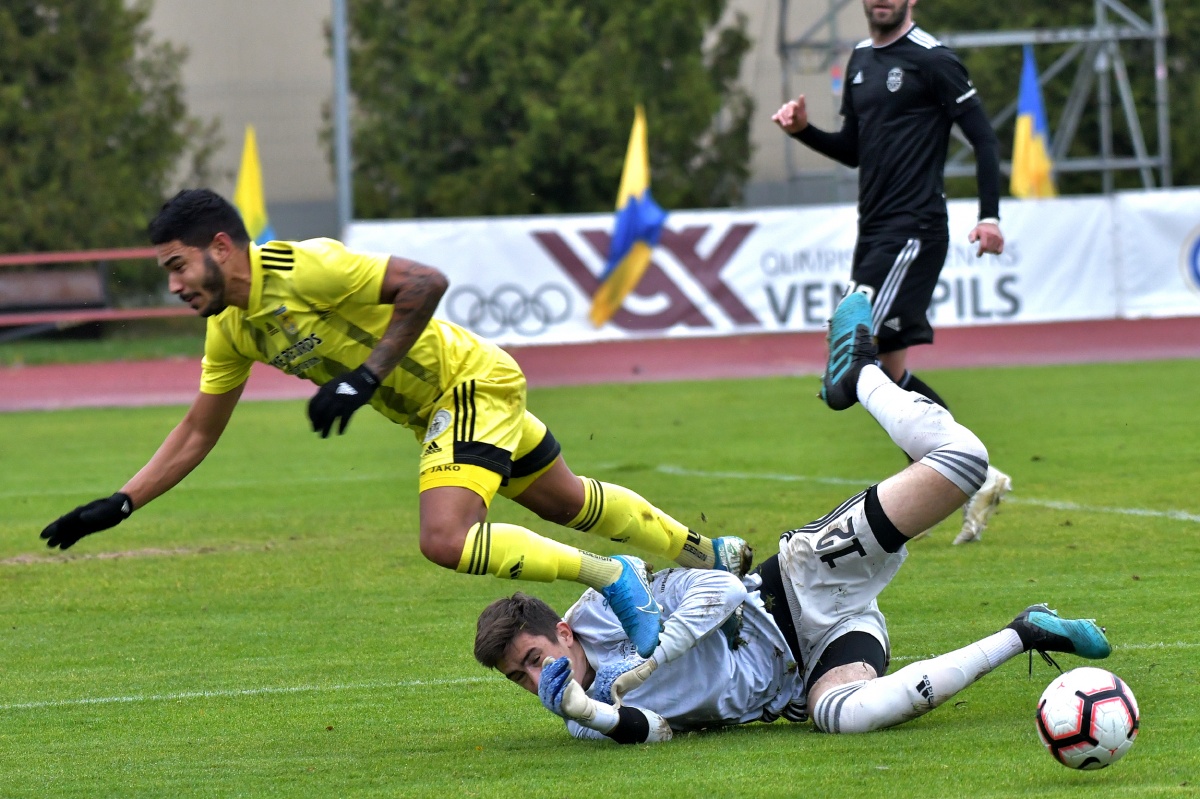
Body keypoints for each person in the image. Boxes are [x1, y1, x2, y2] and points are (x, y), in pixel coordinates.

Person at [37, 188, 753, 657]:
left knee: (445, 538)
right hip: (440, 408)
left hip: (467, 383)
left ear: (220, 247)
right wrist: (121, 502)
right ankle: (708, 553)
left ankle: (615, 576)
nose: (173, 285)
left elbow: (425, 282)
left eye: (177, 266)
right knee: (570, 502)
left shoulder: (304, 268)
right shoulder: (231, 329)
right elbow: (198, 431)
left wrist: (364, 377)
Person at [472, 292, 1112, 743]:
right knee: (845, 717)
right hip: (809, 668)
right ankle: (1025, 632)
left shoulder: (608, 603)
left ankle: (860, 374)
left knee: (964, 462)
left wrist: (648, 660)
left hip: (797, 583)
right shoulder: (576, 712)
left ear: (562, 632)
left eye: (533, 659)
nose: (536, 680)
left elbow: (722, 589)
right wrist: (590, 711)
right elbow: (654, 732)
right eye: (519, 678)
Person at [771, 0, 1012, 544]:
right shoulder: (860, 59)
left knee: (851, 357)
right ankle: (975, 476)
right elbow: (854, 149)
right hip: (874, 231)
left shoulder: (933, 59)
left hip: (913, 229)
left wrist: (990, 216)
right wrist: (804, 130)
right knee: (890, 371)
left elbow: (984, 138)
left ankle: (958, 476)